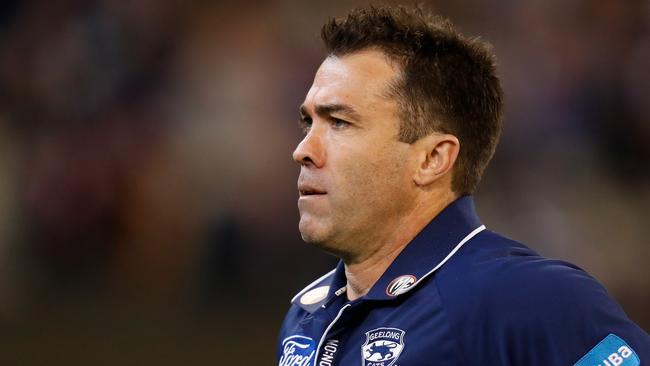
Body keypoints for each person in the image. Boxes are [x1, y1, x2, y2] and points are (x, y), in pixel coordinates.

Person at [277, 6, 649, 366]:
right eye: (308, 123)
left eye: (339, 122)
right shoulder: (308, 317)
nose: (303, 150)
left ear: (432, 159)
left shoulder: (527, 298)